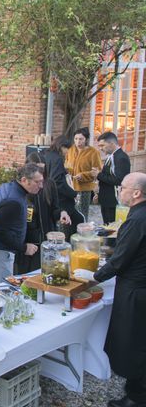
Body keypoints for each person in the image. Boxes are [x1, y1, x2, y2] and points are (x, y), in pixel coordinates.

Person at [74, 172, 146, 407]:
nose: (119, 191)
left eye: (122, 187)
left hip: (136, 289)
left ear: (136, 193)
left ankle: (137, 397)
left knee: (134, 342)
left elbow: (121, 260)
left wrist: (93, 277)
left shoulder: (136, 219)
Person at [0, 163, 42, 286]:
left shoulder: (7, 187)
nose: (41, 186)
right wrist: (24, 248)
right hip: (0, 251)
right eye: (37, 182)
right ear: (24, 180)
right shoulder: (13, 201)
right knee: (0, 289)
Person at [15, 153, 70, 274]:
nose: (39, 172)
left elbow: (55, 209)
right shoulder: (19, 188)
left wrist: (62, 213)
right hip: (28, 243)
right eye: (36, 168)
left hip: (47, 239)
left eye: (42, 169)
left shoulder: (50, 184)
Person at [44, 135, 83, 240]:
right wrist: (73, 193)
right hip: (59, 197)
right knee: (76, 220)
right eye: (67, 149)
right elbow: (57, 182)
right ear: (61, 146)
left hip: (48, 193)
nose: (67, 152)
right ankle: (70, 244)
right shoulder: (57, 159)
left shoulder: (47, 154)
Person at [92, 131, 131, 225]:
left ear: (112, 144)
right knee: (107, 227)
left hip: (113, 202)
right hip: (107, 200)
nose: (100, 148)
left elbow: (119, 180)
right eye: (99, 146)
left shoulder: (121, 157)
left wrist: (99, 175)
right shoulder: (111, 156)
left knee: (113, 230)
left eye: (102, 145)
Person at [65, 128, 102, 221]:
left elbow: (97, 170)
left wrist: (83, 175)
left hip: (84, 188)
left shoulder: (93, 152)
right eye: (76, 138)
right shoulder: (71, 150)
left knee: (81, 213)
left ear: (86, 139)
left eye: (81, 139)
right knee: (70, 211)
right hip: (70, 186)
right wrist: (67, 170)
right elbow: (66, 163)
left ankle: (81, 231)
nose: (78, 141)